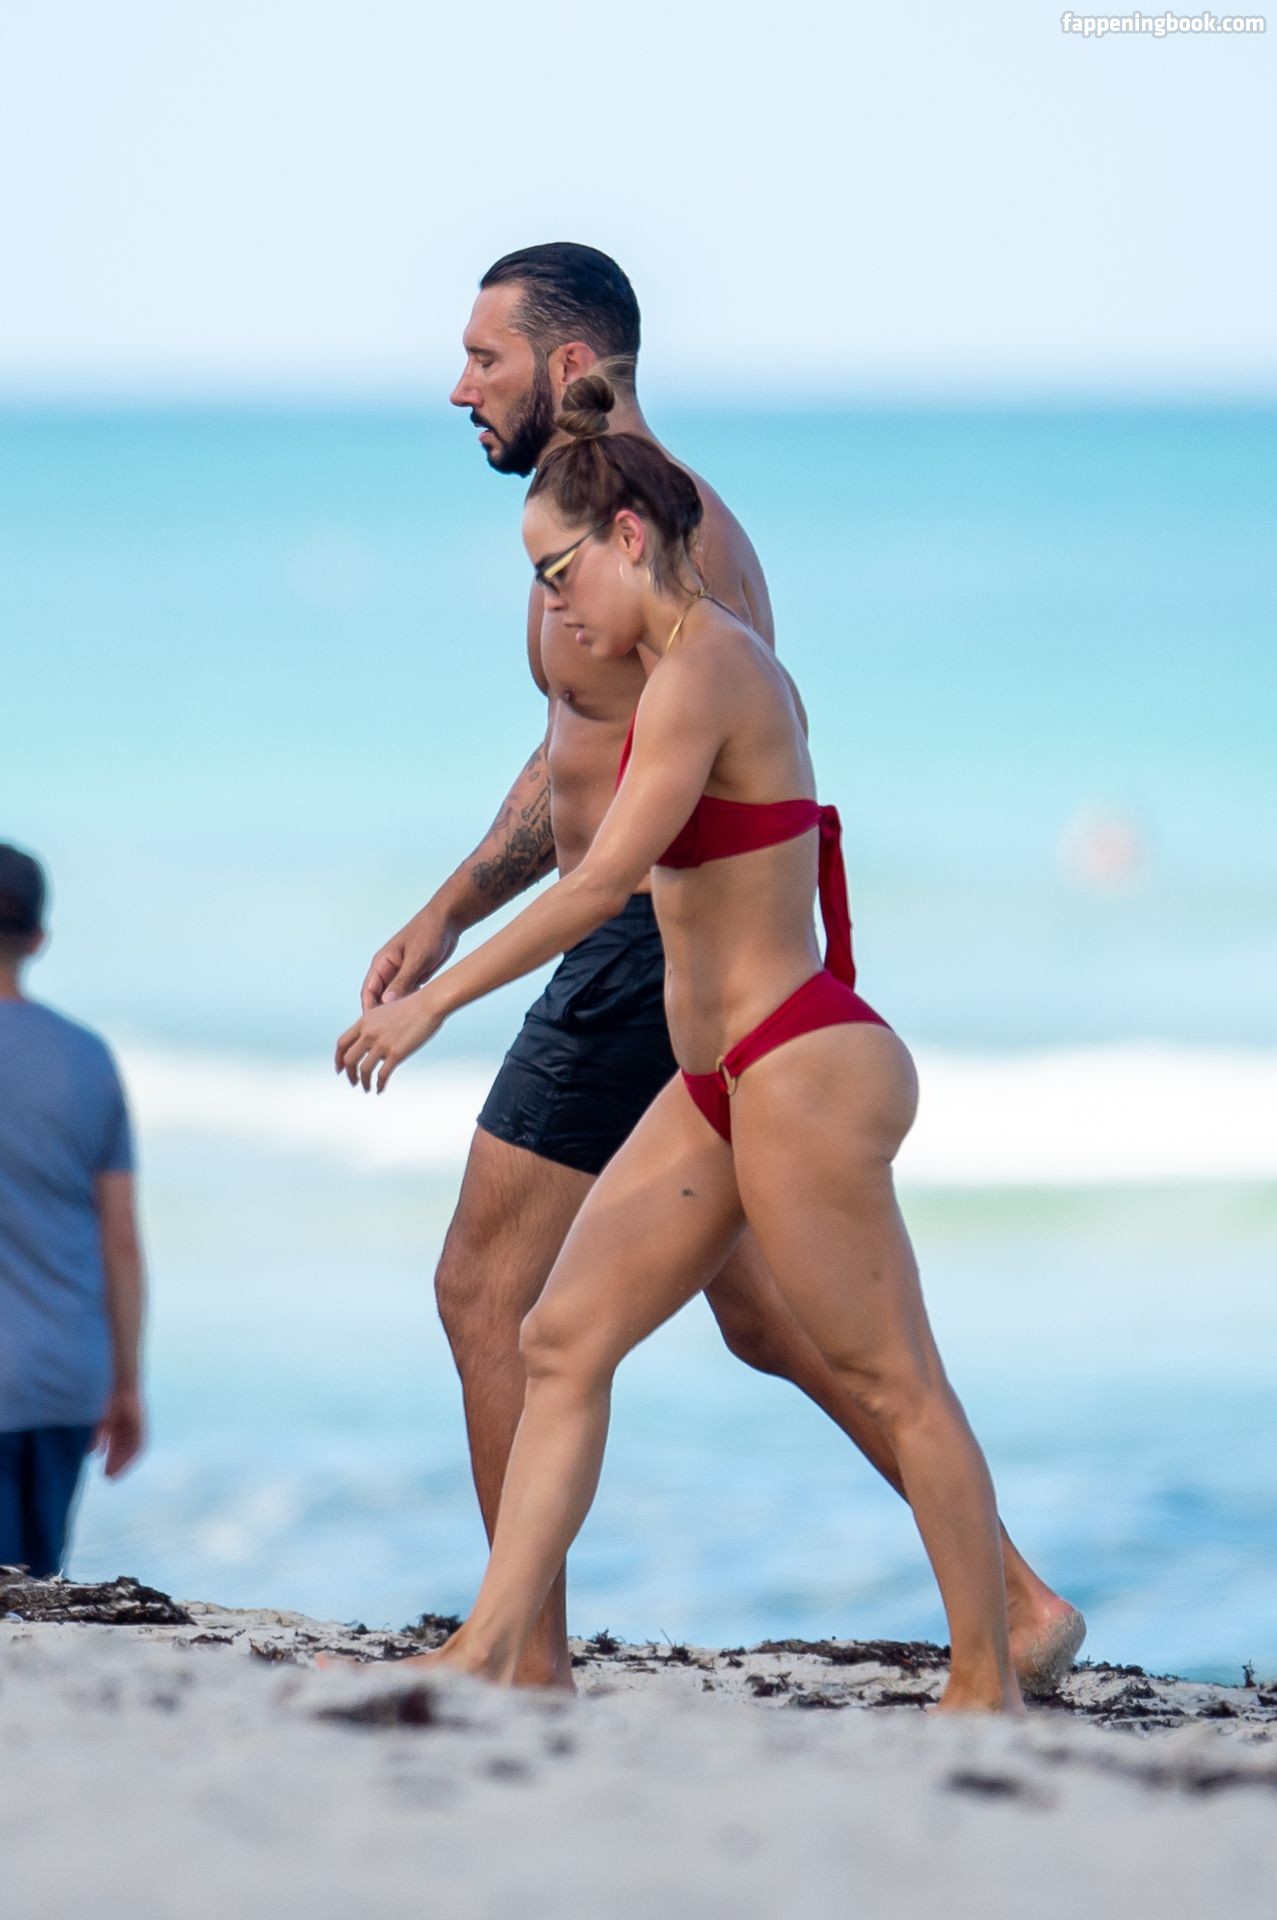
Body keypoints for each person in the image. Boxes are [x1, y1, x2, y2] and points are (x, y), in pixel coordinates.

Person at [360, 244, 1082, 1692]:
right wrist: (446, 907)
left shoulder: (665, 550)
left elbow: (670, 798)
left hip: (651, 948)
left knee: (486, 1285)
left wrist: (450, 987)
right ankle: (1014, 1601)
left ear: (571, 365)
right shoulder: (595, 540)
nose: (460, 387)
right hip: (654, 955)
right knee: (762, 1315)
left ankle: (520, 1661)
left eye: (486, 358)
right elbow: (573, 758)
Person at [0, 845, 146, 1576]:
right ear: (37, 938)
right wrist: (127, 1383)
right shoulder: (88, 1059)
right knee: (35, 1592)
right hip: (65, 1374)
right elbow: (120, 1242)